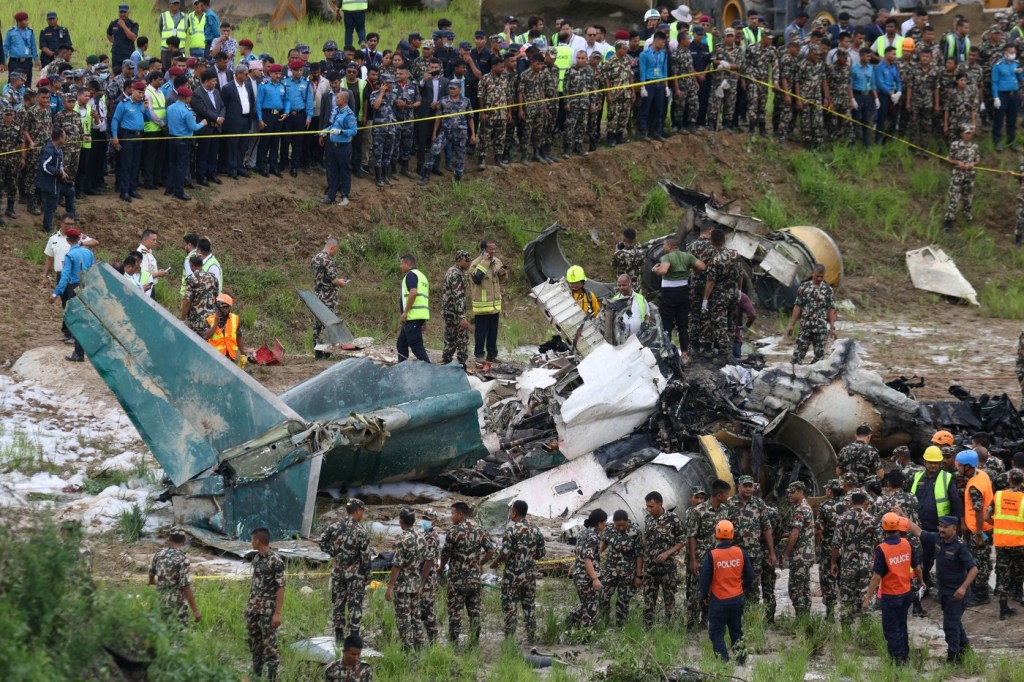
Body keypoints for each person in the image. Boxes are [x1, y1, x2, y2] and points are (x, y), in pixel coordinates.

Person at [908, 515, 977, 664]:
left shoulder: (960, 546)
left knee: (950, 626)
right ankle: (965, 649)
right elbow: (919, 532)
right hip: (944, 591)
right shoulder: (937, 539)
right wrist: (902, 516)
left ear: (954, 528)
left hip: (957, 593)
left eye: (945, 527)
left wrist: (963, 588)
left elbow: (973, 569)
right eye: (940, 526)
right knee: (955, 622)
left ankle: (954, 658)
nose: (942, 529)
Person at [865, 513, 923, 665]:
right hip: (906, 593)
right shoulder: (907, 544)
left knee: (891, 629)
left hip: (891, 595)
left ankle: (897, 660)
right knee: (902, 624)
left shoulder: (882, 550)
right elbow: (917, 568)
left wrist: (867, 598)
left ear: (883, 527)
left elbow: (876, 577)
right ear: (898, 526)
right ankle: (904, 655)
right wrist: (922, 582)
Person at [490, 499, 546, 641]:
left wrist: (495, 563)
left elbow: (504, 553)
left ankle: (509, 639)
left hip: (512, 577)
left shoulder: (511, 530)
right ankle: (531, 637)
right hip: (529, 577)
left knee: (510, 606)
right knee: (529, 606)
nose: (510, 514)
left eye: (510, 511)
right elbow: (541, 553)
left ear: (514, 512)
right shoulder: (536, 530)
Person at [441, 502, 494, 646]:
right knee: (475, 613)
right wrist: (480, 563)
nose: (451, 517)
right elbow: (491, 551)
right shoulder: (479, 530)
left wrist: (441, 567)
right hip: (475, 580)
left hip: (457, 581)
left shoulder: (453, 532)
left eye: (452, 513)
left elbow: (445, 554)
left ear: (461, 514)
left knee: (455, 613)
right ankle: (474, 643)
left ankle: (454, 644)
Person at [699, 520, 753, 663]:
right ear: (732, 534)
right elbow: (750, 576)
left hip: (718, 600)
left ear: (716, 534)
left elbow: (704, 580)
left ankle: (723, 661)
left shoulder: (712, 555)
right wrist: (741, 589)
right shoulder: (741, 553)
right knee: (736, 630)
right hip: (736, 599)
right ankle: (741, 660)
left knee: (716, 632)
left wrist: (704, 596)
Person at [42, 215, 97, 343]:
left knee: (72, 305)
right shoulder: (53, 239)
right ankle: (69, 333)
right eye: (68, 223)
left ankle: (74, 336)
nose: (70, 226)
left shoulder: (77, 238)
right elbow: (49, 259)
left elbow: (95, 242)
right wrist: (44, 276)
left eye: (72, 224)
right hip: (64, 275)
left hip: (71, 277)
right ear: (61, 223)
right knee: (66, 304)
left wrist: (55, 293)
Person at [686, 479, 730, 628]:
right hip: (700, 558)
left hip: (717, 558)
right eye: (726, 494)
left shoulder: (725, 510)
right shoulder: (698, 511)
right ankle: (691, 625)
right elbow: (691, 535)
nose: (727, 497)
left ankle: (704, 622)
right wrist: (693, 560)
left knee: (712, 591)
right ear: (718, 495)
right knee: (695, 592)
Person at [726, 475, 776, 604]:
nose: (748, 489)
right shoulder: (729, 504)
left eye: (750, 486)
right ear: (738, 487)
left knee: (753, 585)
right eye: (745, 486)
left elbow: (766, 528)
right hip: (734, 554)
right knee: (734, 585)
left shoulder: (759, 504)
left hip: (754, 554)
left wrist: (771, 552)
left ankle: (751, 615)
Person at [652, 235, 705, 353]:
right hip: (683, 293)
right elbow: (702, 266)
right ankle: (684, 354)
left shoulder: (667, 257)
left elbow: (664, 270)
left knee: (667, 325)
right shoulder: (688, 256)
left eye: (664, 245)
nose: (663, 247)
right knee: (683, 326)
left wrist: (656, 270)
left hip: (669, 295)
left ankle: (668, 352)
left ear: (670, 246)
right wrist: (691, 269)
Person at [832, 491, 878, 624]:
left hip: (848, 565)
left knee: (846, 598)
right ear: (865, 503)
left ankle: (846, 633)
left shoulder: (842, 518)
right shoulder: (872, 520)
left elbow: (836, 544)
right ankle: (865, 630)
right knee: (866, 596)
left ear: (851, 502)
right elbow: (879, 543)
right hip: (867, 564)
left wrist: (833, 562)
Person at [385, 508, 428, 651]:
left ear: (401, 522)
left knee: (403, 619)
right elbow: (425, 560)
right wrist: (421, 582)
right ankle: (420, 647)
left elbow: (397, 565)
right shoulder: (422, 538)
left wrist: (390, 587)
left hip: (403, 586)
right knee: (415, 617)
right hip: (416, 583)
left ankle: (408, 651)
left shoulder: (402, 539)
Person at [49, 227, 94, 362]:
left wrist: (55, 293)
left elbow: (64, 277)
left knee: (76, 320)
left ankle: (78, 353)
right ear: (79, 238)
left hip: (74, 288)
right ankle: (85, 350)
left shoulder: (69, 256)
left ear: (68, 240)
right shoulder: (88, 253)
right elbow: (93, 271)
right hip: (87, 287)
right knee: (85, 319)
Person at [246, 527, 285, 681]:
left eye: (252, 540)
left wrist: (277, 613)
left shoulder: (275, 561)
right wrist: (248, 605)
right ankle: (257, 676)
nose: (251, 543)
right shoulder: (257, 559)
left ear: (258, 541)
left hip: (268, 611)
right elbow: (254, 585)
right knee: (255, 645)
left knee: (270, 647)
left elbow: (281, 587)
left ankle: (272, 678)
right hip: (254, 609)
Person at [642, 490, 685, 628]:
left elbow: (682, 540)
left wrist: (667, 553)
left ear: (660, 504)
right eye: (647, 506)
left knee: (669, 600)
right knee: (648, 601)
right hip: (650, 568)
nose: (649, 509)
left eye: (651, 506)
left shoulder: (673, 519)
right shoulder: (648, 519)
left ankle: (669, 628)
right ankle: (648, 628)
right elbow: (646, 540)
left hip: (667, 569)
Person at [956, 449, 994, 605]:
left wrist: (978, 534)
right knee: (981, 559)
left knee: (980, 562)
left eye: (959, 465)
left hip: (980, 529)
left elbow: (978, 511)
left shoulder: (974, 487)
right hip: (985, 527)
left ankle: (981, 595)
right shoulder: (982, 475)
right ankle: (979, 589)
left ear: (967, 466)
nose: (957, 468)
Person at [111, 81, 154, 202]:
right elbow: (115, 120)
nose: (141, 95)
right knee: (126, 164)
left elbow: (148, 119)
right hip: (127, 136)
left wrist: (146, 108)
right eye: (139, 92)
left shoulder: (141, 104)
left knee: (136, 164)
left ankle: (132, 189)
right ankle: (124, 190)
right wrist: (114, 136)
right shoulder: (123, 104)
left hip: (139, 136)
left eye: (143, 93)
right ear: (133, 91)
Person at [148, 527, 201, 626]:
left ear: (169, 538)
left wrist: (152, 581)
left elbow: (151, 572)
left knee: (162, 633)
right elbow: (185, 586)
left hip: (160, 601)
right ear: (184, 540)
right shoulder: (183, 559)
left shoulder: (159, 554)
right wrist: (195, 611)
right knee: (179, 633)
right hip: (177, 605)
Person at [786, 264, 837, 364]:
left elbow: (831, 309)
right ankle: (795, 376)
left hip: (820, 329)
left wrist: (832, 327)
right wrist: (791, 324)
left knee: (819, 358)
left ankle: (812, 375)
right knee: (797, 356)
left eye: (821, 277)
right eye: (817, 276)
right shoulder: (804, 288)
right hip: (805, 327)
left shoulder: (828, 290)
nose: (819, 278)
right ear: (812, 273)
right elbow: (798, 306)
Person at [601, 509, 642, 627]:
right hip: (610, 570)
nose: (620, 528)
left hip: (627, 573)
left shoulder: (635, 531)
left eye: (623, 525)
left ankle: (620, 626)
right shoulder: (608, 529)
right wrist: (593, 555)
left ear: (627, 522)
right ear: (613, 523)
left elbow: (639, 554)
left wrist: (639, 575)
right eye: (617, 525)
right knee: (603, 596)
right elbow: (603, 545)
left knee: (623, 601)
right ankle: (604, 623)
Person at [469, 240, 507, 367]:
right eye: (491, 249)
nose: (493, 252)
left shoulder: (496, 261)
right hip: (482, 306)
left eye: (494, 249)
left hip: (495, 306)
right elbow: (476, 278)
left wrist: (503, 273)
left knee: (493, 332)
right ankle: (479, 355)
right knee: (481, 332)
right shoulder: (475, 264)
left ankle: (492, 355)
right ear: (484, 250)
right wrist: (485, 262)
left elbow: (501, 279)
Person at [568, 508, 607, 632]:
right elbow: (587, 558)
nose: (606, 524)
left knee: (585, 604)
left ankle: (569, 622)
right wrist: (595, 578)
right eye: (605, 522)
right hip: (586, 577)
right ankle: (586, 634)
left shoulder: (582, 532)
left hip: (579, 575)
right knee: (591, 607)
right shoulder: (593, 536)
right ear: (600, 522)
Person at [780, 481, 815, 618]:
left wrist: (785, 554)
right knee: (804, 587)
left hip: (800, 555)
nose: (789, 495)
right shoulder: (806, 507)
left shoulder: (800, 510)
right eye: (788, 492)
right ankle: (805, 619)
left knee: (796, 588)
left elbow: (795, 534)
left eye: (792, 492)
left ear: (801, 492)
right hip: (807, 555)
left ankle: (801, 619)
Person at [993, 468, 1024, 621]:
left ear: (1009, 480)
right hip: (1019, 543)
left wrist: (997, 524)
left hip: (1001, 542)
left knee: (1003, 573)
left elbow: (986, 516)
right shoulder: (1023, 499)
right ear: (1022, 481)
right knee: (1018, 570)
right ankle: (1019, 594)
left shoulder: (998, 496)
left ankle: (1003, 608)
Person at [309, 238, 349, 358]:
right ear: (332, 247)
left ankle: (317, 350)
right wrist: (342, 283)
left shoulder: (315, 258)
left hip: (318, 295)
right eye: (336, 250)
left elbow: (321, 277)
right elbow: (333, 280)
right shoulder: (328, 260)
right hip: (328, 296)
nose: (335, 253)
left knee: (317, 324)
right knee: (329, 323)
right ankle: (326, 352)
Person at [165, 85, 206, 200]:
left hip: (172, 139)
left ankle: (169, 188)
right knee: (181, 166)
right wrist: (203, 123)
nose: (191, 98)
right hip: (183, 141)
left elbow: (167, 122)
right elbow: (193, 127)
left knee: (172, 165)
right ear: (184, 97)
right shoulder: (187, 111)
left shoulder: (170, 108)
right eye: (189, 96)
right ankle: (179, 191)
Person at [319, 89, 357, 206]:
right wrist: (326, 130)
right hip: (333, 147)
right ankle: (331, 196)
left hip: (343, 147)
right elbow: (333, 125)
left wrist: (341, 131)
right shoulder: (337, 111)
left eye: (338, 98)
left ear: (344, 100)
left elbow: (353, 131)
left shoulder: (349, 115)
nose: (336, 100)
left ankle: (345, 196)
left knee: (344, 172)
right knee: (333, 171)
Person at [36, 128, 74, 235]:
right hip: (50, 183)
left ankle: (71, 218)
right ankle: (47, 229)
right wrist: (59, 173)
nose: (66, 137)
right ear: (60, 138)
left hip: (57, 182)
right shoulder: (48, 150)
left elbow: (60, 163)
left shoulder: (59, 149)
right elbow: (45, 166)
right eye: (65, 136)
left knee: (70, 191)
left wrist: (62, 171)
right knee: (51, 206)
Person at [221, 62, 256, 179]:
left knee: (243, 145)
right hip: (233, 122)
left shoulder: (248, 86)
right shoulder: (227, 88)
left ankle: (241, 167)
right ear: (237, 74)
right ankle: (232, 169)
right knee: (232, 146)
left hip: (245, 120)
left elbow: (251, 101)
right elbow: (223, 105)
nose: (247, 76)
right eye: (245, 74)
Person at [190, 69, 225, 186]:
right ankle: (201, 176)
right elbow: (202, 110)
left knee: (214, 152)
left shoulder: (216, 92)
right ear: (206, 81)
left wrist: (221, 117)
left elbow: (222, 106)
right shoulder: (197, 93)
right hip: (206, 129)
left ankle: (212, 174)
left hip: (216, 128)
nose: (215, 83)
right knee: (203, 153)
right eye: (213, 81)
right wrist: (216, 119)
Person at [944, 126, 979, 232]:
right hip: (958, 175)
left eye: (970, 133)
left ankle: (967, 217)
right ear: (961, 134)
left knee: (968, 197)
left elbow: (977, 160)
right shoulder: (955, 145)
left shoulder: (974, 146)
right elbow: (949, 159)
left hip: (970, 175)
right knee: (954, 197)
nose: (968, 135)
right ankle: (949, 221)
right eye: (966, 133)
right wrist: (957, 162)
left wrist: (972, 164)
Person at [397, 253, 430, 363]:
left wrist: (405, 312)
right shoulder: (422, 276)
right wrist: (423, 321)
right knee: (401, 344)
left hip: (412, 317)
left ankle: (429, 371)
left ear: (407, 263)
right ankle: (402, 368)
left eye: (401, 264)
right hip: (417, 317)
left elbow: (414, 293)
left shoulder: (410, 275)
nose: (400, 266)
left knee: (416, 347)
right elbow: (423, 299)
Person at [441, 249, 471, 367]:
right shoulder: (456, 274)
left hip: (450, 312)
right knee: (462, 339)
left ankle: (446, 362)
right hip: (455, 313)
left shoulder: (453, 271)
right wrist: (462, 317)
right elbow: (457, 296)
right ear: (459, 260)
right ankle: (461, 365)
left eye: (469, 261)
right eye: (466, 260)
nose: (468, 263)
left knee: (450, 338)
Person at [180, 254, 218, 334]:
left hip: (196, 321)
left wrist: (182, 320)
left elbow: (187, 301)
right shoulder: (213, 278)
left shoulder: (191, 279)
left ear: (192, 265)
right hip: (210, 320)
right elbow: (216, 298)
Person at [418, 515, 441, 644]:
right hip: (425, 577)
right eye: (424, 517)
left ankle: (433, 641)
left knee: (428, 610)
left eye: (428, 518)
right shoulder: (426, 534)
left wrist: (421, 583)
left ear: (434, 520)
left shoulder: (431, 537)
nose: (425, 520)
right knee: (423, 610)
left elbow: (429, 560)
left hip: (427, 579)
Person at [202, 293, 242, 364]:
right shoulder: (210, 320)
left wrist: (243, 352)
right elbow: (205, 336)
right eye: (218, 307)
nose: (220, 310)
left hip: (231, 359)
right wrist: (215, 324)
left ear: (229, 307)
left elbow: (239, 337)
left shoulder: (234, 319)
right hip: (215, 359)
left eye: (223, 307)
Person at [611, 274, 649, 339]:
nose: (621, 287)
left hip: (639, 339)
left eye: (624, 285)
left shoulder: (641, 298)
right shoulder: (614, 301)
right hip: (621, 340)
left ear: (630, 284)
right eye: (619, 285)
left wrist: (646, 323)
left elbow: (647, 313)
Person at [5, 12, 37, 84]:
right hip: (15, 62)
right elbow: (6, 46)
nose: (27, 22)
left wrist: (36, 59)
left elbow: (33, 46)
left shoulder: (30, 31)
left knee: (27, 82)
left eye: (27, 20)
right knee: (13, 82)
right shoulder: (11, 32)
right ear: (19, 22)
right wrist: (4, 61)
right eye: (25, 20)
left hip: (27, 61)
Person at [107, 5, 139, 69]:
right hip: (116, 54)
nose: (122, 14)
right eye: (121, 12)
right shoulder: (113, 23)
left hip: (128, 54)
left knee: (128, 72)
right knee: (116, 72)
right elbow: (108, 35)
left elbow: (133, 37)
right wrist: (115, 42)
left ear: (128, 13)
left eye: (124, 12)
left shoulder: (133, 24)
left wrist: (123, 26)